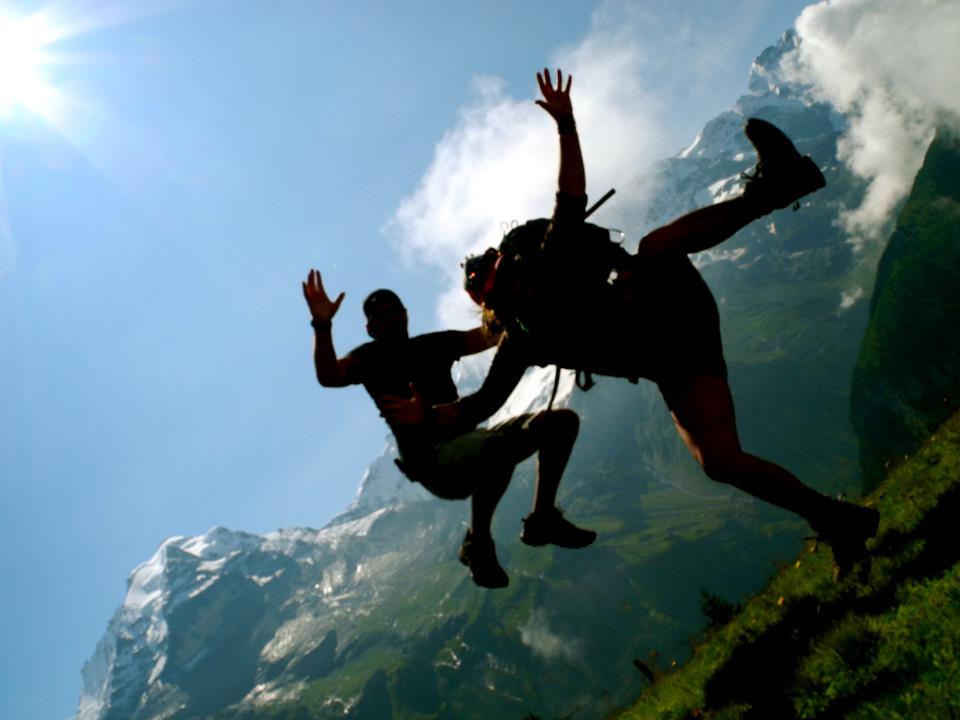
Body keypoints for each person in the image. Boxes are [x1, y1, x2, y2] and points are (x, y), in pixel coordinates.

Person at [383, 68, 879, 580]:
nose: (513, 274)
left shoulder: (546, 266)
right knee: (719, 462)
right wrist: (428, 417)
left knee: (655, 248)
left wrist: (566, 127)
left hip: (671, 307)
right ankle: (838, 520)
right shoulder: (521, 342)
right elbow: (479, 404)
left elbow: (569, 199)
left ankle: (777, 188)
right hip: (676, 361)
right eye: (501, 278)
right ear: (497, 300)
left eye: (506, 267)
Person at [302, 271, 596, 588]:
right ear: (371, 328)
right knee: (495, 450)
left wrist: (523, 299)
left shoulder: (434, 345)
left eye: (394, 311)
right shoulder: (368, 359)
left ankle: (543, 518)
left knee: (561, 423)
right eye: (381, 316)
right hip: (433, 463)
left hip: (471, 442)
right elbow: (329, 375)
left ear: (405, 314)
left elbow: (488, 334)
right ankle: (479, 545)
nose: (390, 318)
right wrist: (322, 324)